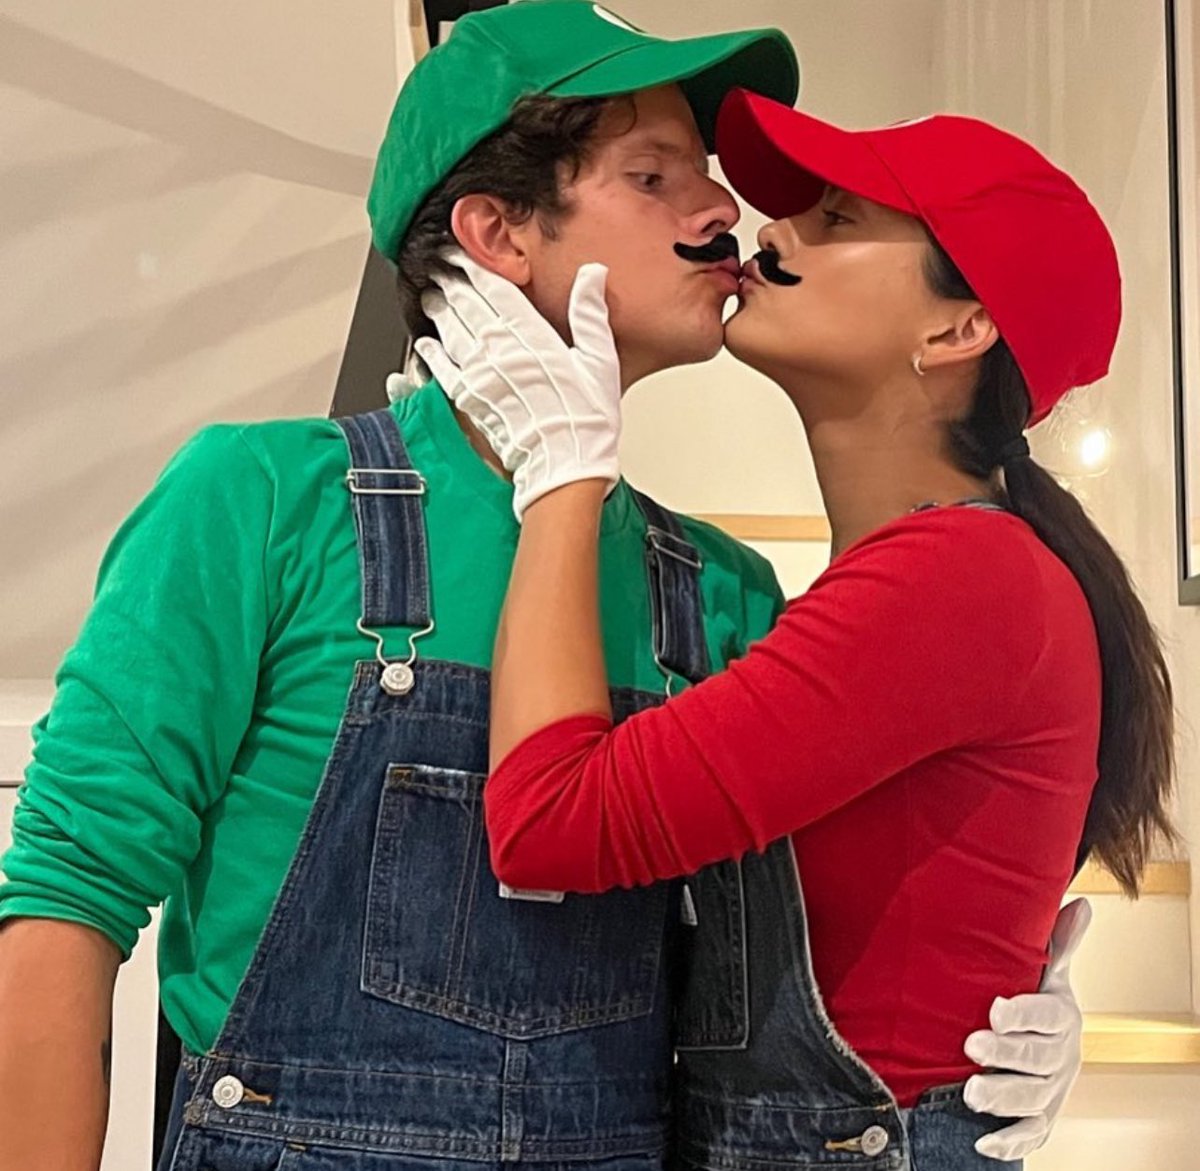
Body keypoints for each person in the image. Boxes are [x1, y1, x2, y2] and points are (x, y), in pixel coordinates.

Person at [0, 5, 1083, 1169]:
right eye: (654, 176)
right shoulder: (264, 499)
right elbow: (69, 896)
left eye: (705, 175)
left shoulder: (726, 593)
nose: (723, 212)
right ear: (498, 234)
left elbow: (816, 933)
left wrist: (991, 1018)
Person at [419, 90, 1177, 1168]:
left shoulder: (957, 580)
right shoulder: (912, 579)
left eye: (836, 220)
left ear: (957, 328)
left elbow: (551, 823)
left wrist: (562, 471)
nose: (768, 231)